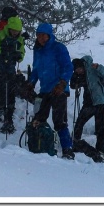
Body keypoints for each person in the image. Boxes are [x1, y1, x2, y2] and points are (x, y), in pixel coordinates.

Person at [27, 23, 75, 160]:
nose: (41, 38)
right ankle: (38, 144)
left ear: (49, 35)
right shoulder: (38, 50)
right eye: (38, 35)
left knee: (59, 120)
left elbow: (68, 67)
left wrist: (62, 83)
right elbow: (36, 69)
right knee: (39, 118)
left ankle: (67, 149)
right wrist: (31, 82)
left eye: (43, 35)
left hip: (59, 89)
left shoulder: (58, 48)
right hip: (45, 89)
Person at [70, 55, 104, 158]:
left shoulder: (93, 68)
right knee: (80, 123)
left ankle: (100, 149)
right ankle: (76, 143)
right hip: (89, 103)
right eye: (76, 70)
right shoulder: (80, 74)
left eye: (79, 69)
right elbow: (73, 85)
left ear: (83, 66)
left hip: (100, 102)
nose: (78, 71)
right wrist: (75, 76)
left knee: (98, 127)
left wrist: (99, 67)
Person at [0, 15, 26, 133]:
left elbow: (22, 53)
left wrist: (18, 56)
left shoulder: (20, 39)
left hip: (10, 69)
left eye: (17, 31)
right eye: (13, 30)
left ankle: (8, 121)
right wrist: (2, 51)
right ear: (9, 28)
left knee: (11, 94)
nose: (15, 33)